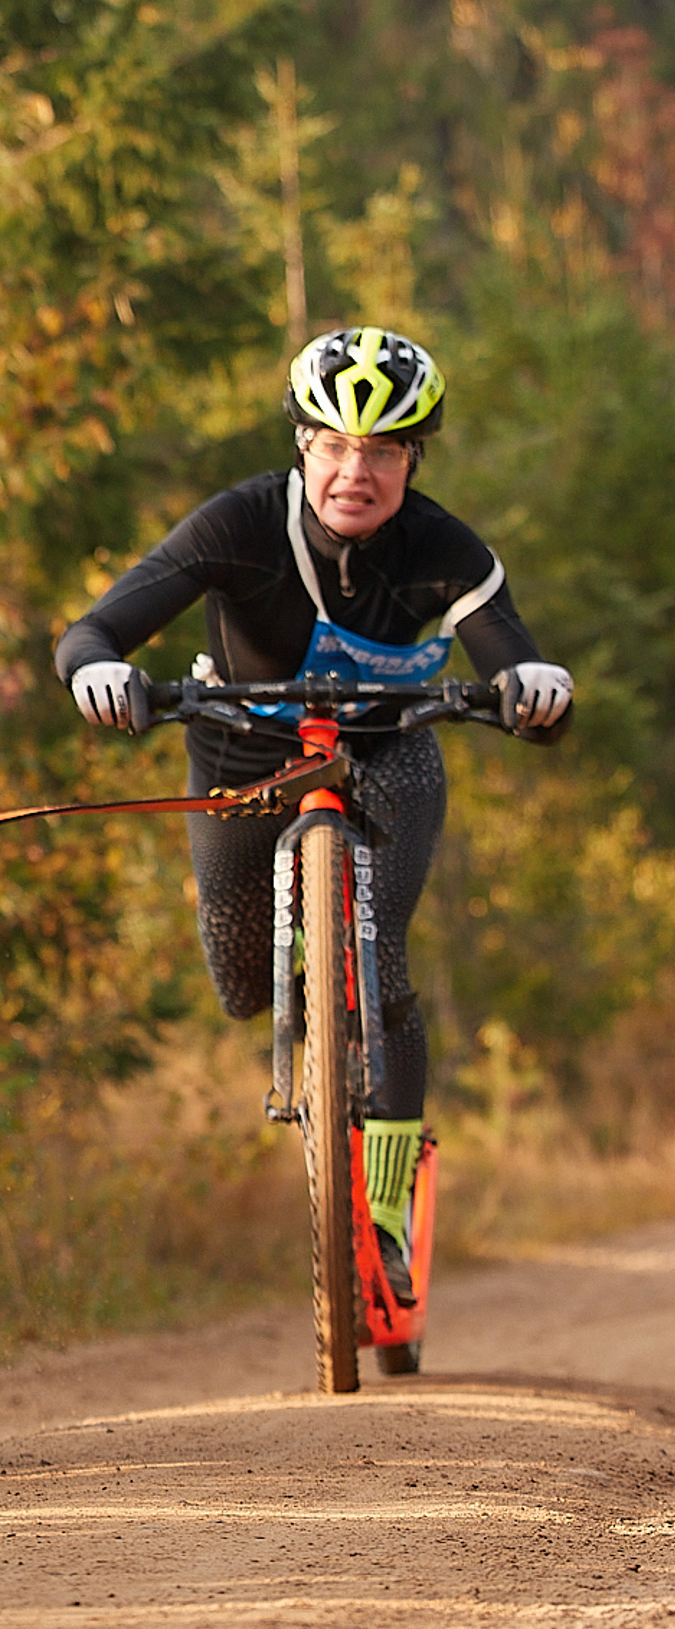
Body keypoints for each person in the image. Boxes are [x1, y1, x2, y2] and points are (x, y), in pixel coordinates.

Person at [52, 326, 573, 1299]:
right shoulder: (237, 525)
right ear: (302, 445)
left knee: (383, 972)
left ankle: (383, 1215)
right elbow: (95, 630)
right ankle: (306, 1033)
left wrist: (534, 687)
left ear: (414, 459)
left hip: (385, 753)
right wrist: (100, 672)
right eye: (334, 445)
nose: (355, 471)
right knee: (245, 985)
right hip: (241, 755)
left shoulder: (444, 548)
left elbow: (514, 658)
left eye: (382, 451)